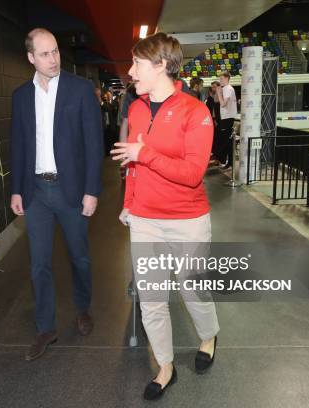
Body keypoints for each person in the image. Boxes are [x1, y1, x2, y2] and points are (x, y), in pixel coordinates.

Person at [111, 32, 219, 401]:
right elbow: (132, 162)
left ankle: (208, 336)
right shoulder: (137, 108)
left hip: (187, 218)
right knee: (153, 297)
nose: (130, 71)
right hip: (144, 218)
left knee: (191, 289)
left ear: (160, 65)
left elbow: (192, 174)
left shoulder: (196, 111)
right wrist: (130, 200)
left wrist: (146, 154)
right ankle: (166, 366)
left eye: (137, 63)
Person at [10, 28, 103, 361]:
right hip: (36, 191)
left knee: (79, 256)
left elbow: (94, 146)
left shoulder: (79, 90)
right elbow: (19, 146)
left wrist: (92, 191)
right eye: (45, 54)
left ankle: (82, 308)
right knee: (39, 264)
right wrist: (16, 190)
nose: (53, 59)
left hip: (71, 190)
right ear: (31, 58)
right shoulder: (21, 96)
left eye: (55, 52)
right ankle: (45, 327)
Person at [216, 72, 237, 169]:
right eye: (220, 79)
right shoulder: (226, 88)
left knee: (225, 141)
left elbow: (223, 104)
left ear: (227, 78)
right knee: (227, 141)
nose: (220, 81)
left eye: (222, 79)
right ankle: (229, 162)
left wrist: (219, 93)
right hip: (225, 117)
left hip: (228, 118)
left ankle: (221, 158)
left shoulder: (228, 88)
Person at [206, 81, 222, 163]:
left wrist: (215, 119)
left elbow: (218, 110)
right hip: (212, 120)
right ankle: (215, 154)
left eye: (214, 87)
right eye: (212, 87)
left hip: (219, 120)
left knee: (218, 138)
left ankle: (218, 157)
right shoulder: (211, 97)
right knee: (214, 138)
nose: (213, 89)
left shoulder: (220, 97)